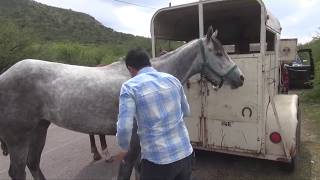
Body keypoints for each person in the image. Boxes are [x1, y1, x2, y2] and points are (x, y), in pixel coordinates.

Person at [116, 48, 193, 180]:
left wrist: (123, 149)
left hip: (158, 161)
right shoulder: (173, 80)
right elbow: (186, 111)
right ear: (149, 63)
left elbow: (124, 127)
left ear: (130, 68)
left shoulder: (130, 87)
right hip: (186, 154)